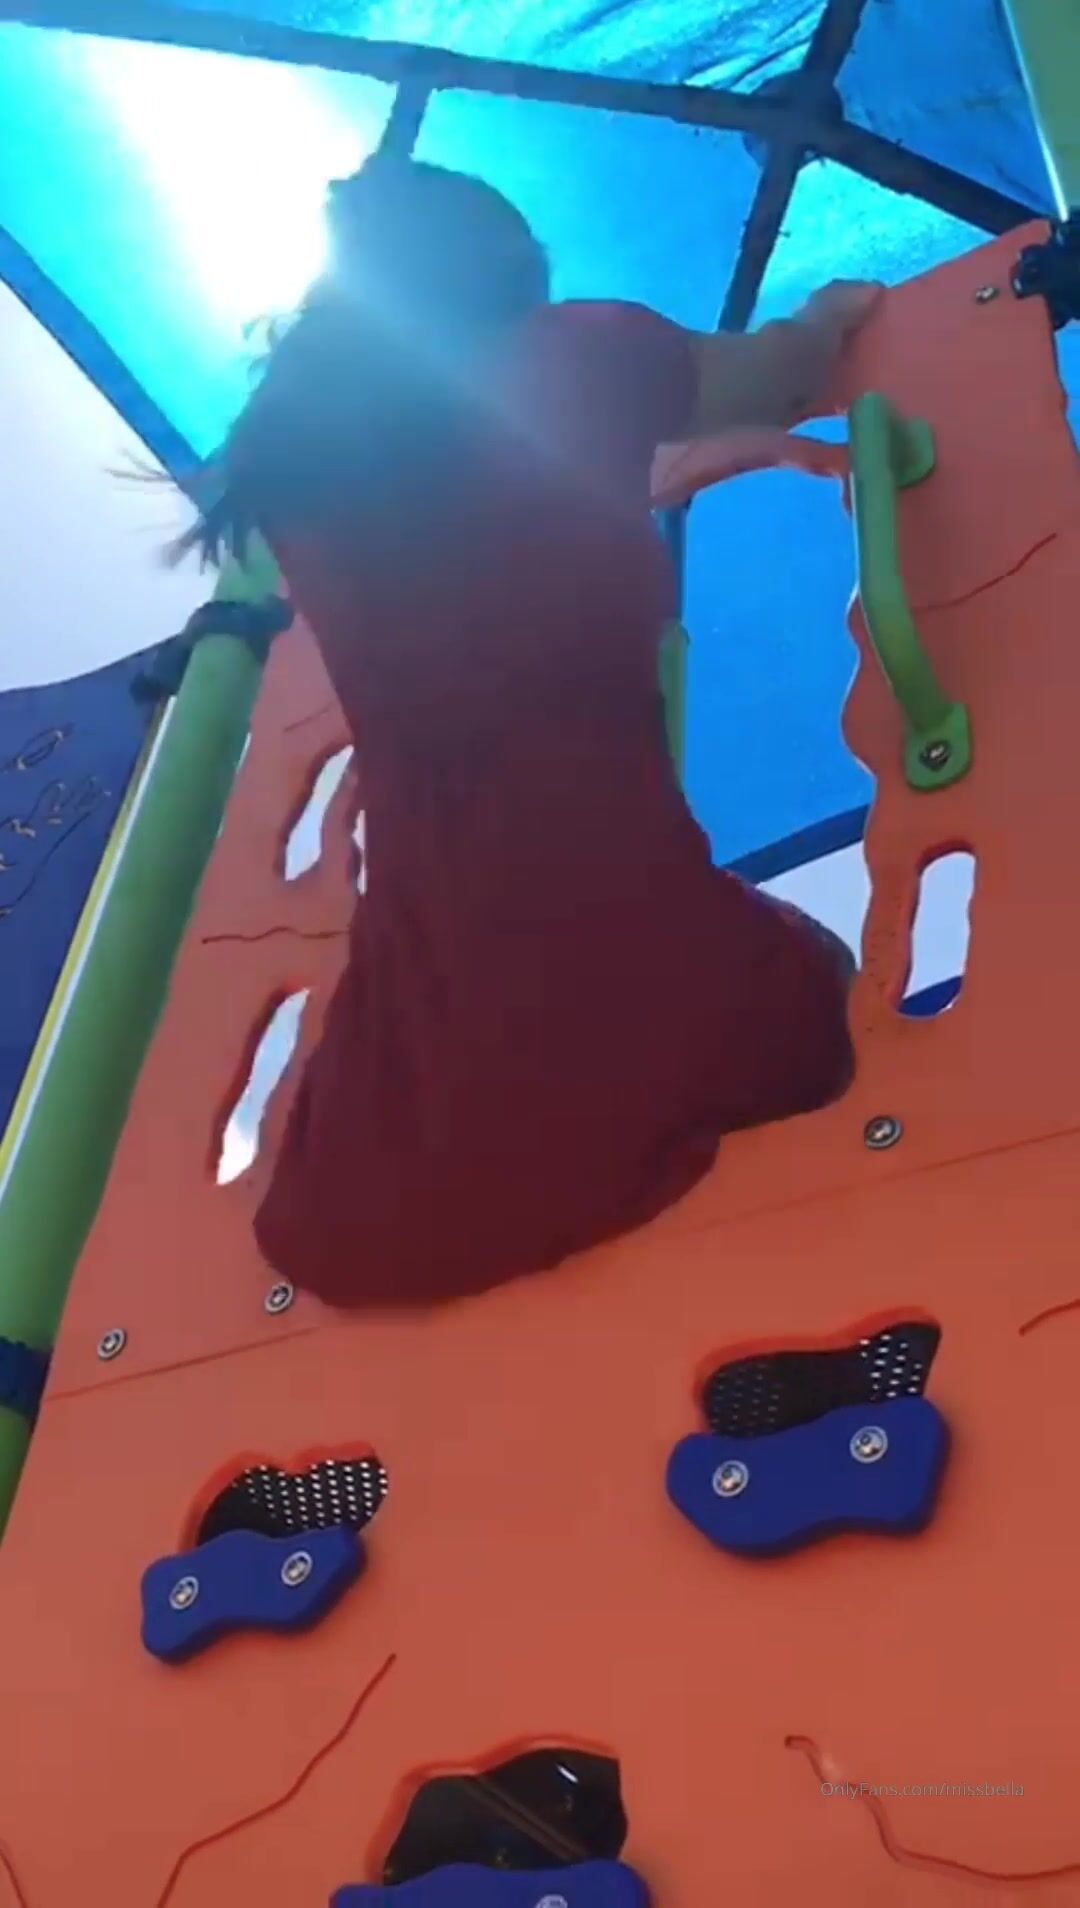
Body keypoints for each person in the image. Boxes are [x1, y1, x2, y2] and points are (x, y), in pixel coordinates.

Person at [180, 157, 875, 1308]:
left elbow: (473, 532)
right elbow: (780, 375)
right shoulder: (579, 354)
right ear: (506, 274)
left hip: (403, 1116)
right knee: (826, 985)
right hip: (642, 978)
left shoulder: (308, 487)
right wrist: (828, 315)